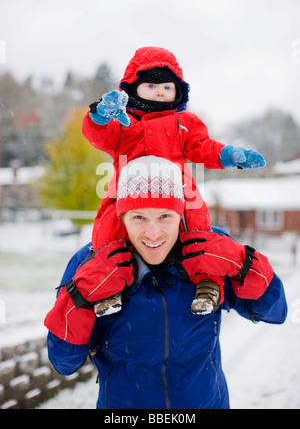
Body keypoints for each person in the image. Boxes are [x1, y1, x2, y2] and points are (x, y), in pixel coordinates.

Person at [44, 156, 287, 410]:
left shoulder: (208, 250)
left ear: (180, 212)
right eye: (139, 217)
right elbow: (64, 362)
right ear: (122, 216)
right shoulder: (92, 262)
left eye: (164, 216)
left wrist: (243, 262)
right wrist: (80, 295)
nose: (152, 233)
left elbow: (275, 311)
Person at [82, 46, 266, 315]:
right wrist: (99, 117)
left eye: (167, 87)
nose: (160, 91)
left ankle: (207, 283)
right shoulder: (123, 122)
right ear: (133, 89)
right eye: (151, 85)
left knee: (197, 223)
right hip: (129, 191)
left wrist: (228, 155)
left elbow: (203, 147)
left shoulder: (184, 122)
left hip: (176, 190)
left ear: (178, 92)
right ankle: (108, 287)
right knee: (108, 228)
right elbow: (100, 136)